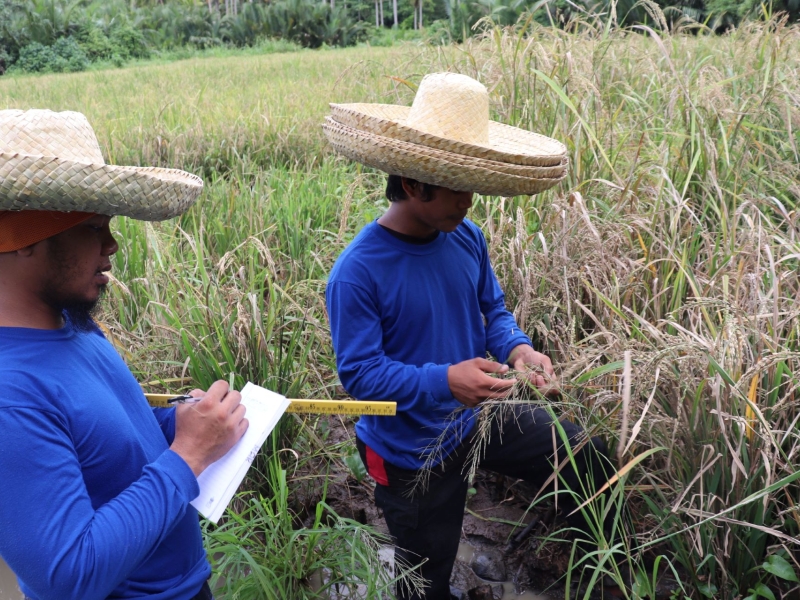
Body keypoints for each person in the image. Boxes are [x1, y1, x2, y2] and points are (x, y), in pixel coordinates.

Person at [323, 73, 612, 599]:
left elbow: (492, 311)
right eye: (458, 187)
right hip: (411, 452)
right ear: (414, 184)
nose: (470, 202)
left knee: (583, 451)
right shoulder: (358, 272)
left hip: (475, 416)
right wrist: (445, 380)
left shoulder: (465, 237)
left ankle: (591, 564)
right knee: (423, 582)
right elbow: (360, 376)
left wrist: (516, 347)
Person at [0, 109, 249, 600]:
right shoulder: (10, 393)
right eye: (93, 227)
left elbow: (103, 443)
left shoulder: (72, 324)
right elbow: (69, 574)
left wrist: (177, 423)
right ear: (23, 237)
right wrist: (190, 454)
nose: (111, 245)